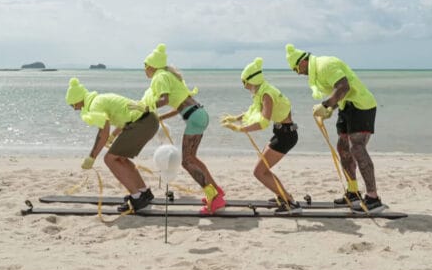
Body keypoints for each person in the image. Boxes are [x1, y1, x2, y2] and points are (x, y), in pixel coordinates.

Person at [285, 43, 383, 212]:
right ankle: (353, 192)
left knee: (357, 149)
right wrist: (330, 109)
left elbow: (344, 87)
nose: (298, 73)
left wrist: (325, 104)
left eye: (296, 69)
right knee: (343, 148)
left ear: (302, 62)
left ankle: (373, 197)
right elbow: (339, 94)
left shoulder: (325, 65)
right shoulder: (318, 72)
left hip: (362, 105)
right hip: (347, 107)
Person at [142, 43, 226, 215]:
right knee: (192, 158)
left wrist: (147, 108)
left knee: (186, 161)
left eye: (145, 66)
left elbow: (164, 99)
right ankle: (216, 191)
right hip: (198, 113)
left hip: (194, 117)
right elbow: (179, 106)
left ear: (152, 66)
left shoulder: (160, 76)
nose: (144, 70)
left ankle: (214, 197)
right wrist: (161, 118)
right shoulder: (168, 75)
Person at [221, 57, 302, 214]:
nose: (244, 86)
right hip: (281, 132)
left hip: (286, 135)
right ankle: (283, 195)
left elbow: (263, 122)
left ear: (253, 79)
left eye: (245, 82)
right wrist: (235, 118)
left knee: (259, 172)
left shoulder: (267, 95)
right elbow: (254, 111)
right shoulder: (263, 90)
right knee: (263, 170)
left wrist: (240, 129)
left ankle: (290, 203)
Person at [66, 77, 159, 213]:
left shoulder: (94, 106)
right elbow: (124, 115)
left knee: (109, 159)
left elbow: (102, 133)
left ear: (78, 99)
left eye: (72, 105)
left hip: (142, 123)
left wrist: (92, 157)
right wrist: (113, 136)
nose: (74, 109)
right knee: (120, 158)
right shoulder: (99, 99)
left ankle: (137, 198)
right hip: (149, 120)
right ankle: (144, 193)